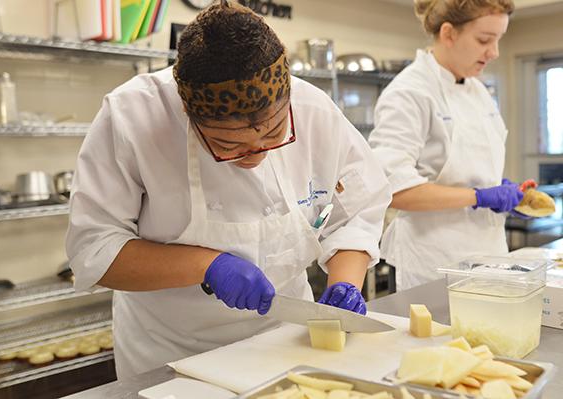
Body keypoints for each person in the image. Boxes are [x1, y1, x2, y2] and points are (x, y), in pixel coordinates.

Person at [66, 0, 391, 379]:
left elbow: (358, 208)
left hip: (288, 342)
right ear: (189, 115)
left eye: (274, 135)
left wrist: (345, 285)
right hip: (170, 354)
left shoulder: (314, 110)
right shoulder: (132, 117)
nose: (255, 156)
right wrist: (207, 265)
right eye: (228, 146)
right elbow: (93, 250)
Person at [368, 0, 531, 291]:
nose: (494, 53)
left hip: (489, 254)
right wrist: (480, 196)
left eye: (498, 40)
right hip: (432, 262)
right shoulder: (409, 93)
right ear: (449, 33)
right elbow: (393, 189)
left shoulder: (478, 90)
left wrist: (501, 191)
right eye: (484, 40)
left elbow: (475, 169)